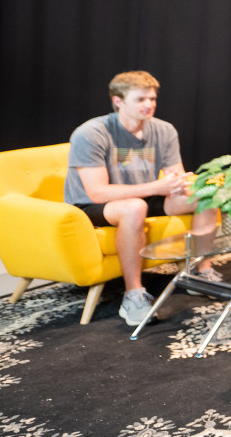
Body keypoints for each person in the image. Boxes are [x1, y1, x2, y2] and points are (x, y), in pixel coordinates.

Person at [64, 71, 219, 325]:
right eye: (140, 100)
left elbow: (174, 177)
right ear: (118, 101)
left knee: (206, 197)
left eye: (152, 99)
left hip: (143, 194)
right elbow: (97, 192)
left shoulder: (164, 130)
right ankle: (133, 295)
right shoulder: (91, 133)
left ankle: (200, 273)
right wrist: (158, 186)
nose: (149, 105)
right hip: (92, 205)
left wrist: (186, 186)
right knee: (134, 208)